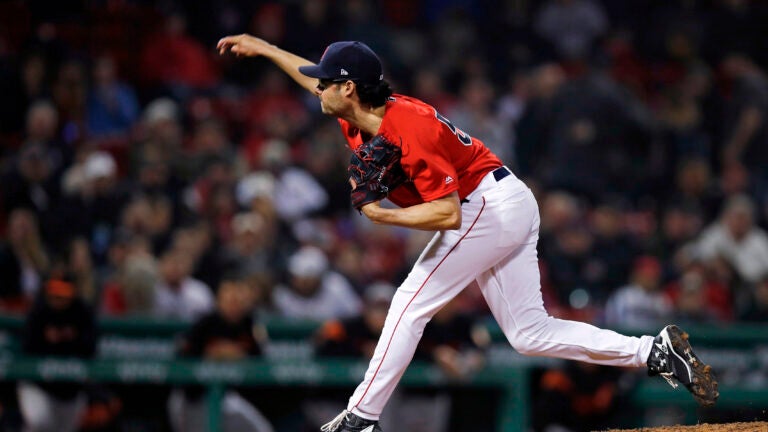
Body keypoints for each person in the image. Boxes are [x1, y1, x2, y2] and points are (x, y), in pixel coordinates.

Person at [216, 34, 719, 432]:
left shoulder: (405, 126)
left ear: (349, 88)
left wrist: (382, 216)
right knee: (529, 335)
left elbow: (448, 214)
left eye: (327, 82)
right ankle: (653, 352)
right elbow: (311, 81)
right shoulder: (355, 108)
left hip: (485, 204)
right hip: (503, 201)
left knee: (409, 304)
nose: (317, 88)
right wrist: (262, 48)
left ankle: (359, 419)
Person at [168, 276, 273, 432]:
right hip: (193, 398)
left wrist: (239, 355)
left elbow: (261, 363)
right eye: (229, 299)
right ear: (219, 300)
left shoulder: (249, 324)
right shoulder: (204, 324)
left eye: (238, 300)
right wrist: (211, 355)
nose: (234, 305)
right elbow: (181, 361)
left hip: (228, 399)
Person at [18, 275, 97, 432]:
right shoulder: (38, 312)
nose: (58, 300)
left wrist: (64, 339)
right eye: (54, 296)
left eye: (62, 296)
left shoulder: (82, 311)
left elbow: (90, 347)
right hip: (38, 384)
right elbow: (29, 347)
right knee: (40, 420)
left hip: (71, 388)